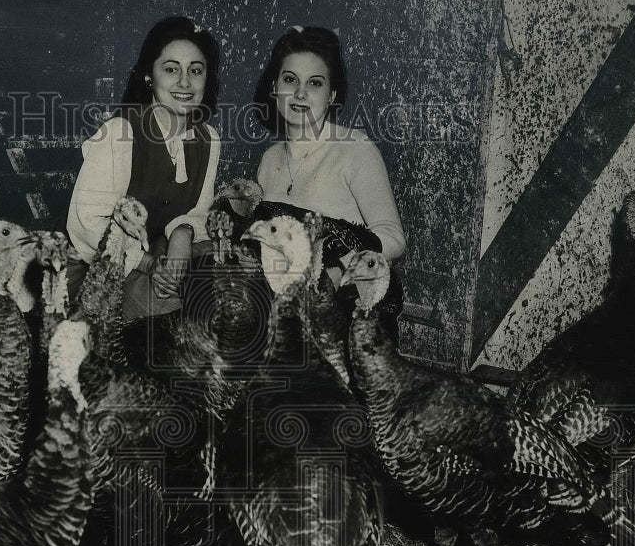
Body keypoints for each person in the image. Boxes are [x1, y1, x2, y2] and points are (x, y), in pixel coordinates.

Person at [66, 16, 221, 321]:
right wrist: (150, 264)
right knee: (174, 308)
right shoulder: (120, 133)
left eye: (196, 71)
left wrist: (182, 234)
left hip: (153, 256)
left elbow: (199, 209)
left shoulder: (209, 139)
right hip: (92, 267)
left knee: (215, 281)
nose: (184, 83)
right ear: (150, 76)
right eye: (171, 69)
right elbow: (87, 225)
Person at [252, 25, 406, 277]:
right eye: (290, 80)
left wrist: (339, 265)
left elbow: (393, 237)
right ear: (274, 87)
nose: (300, 93)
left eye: (314, 83)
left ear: (331, 94)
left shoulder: (355, 149)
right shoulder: (270, 160)